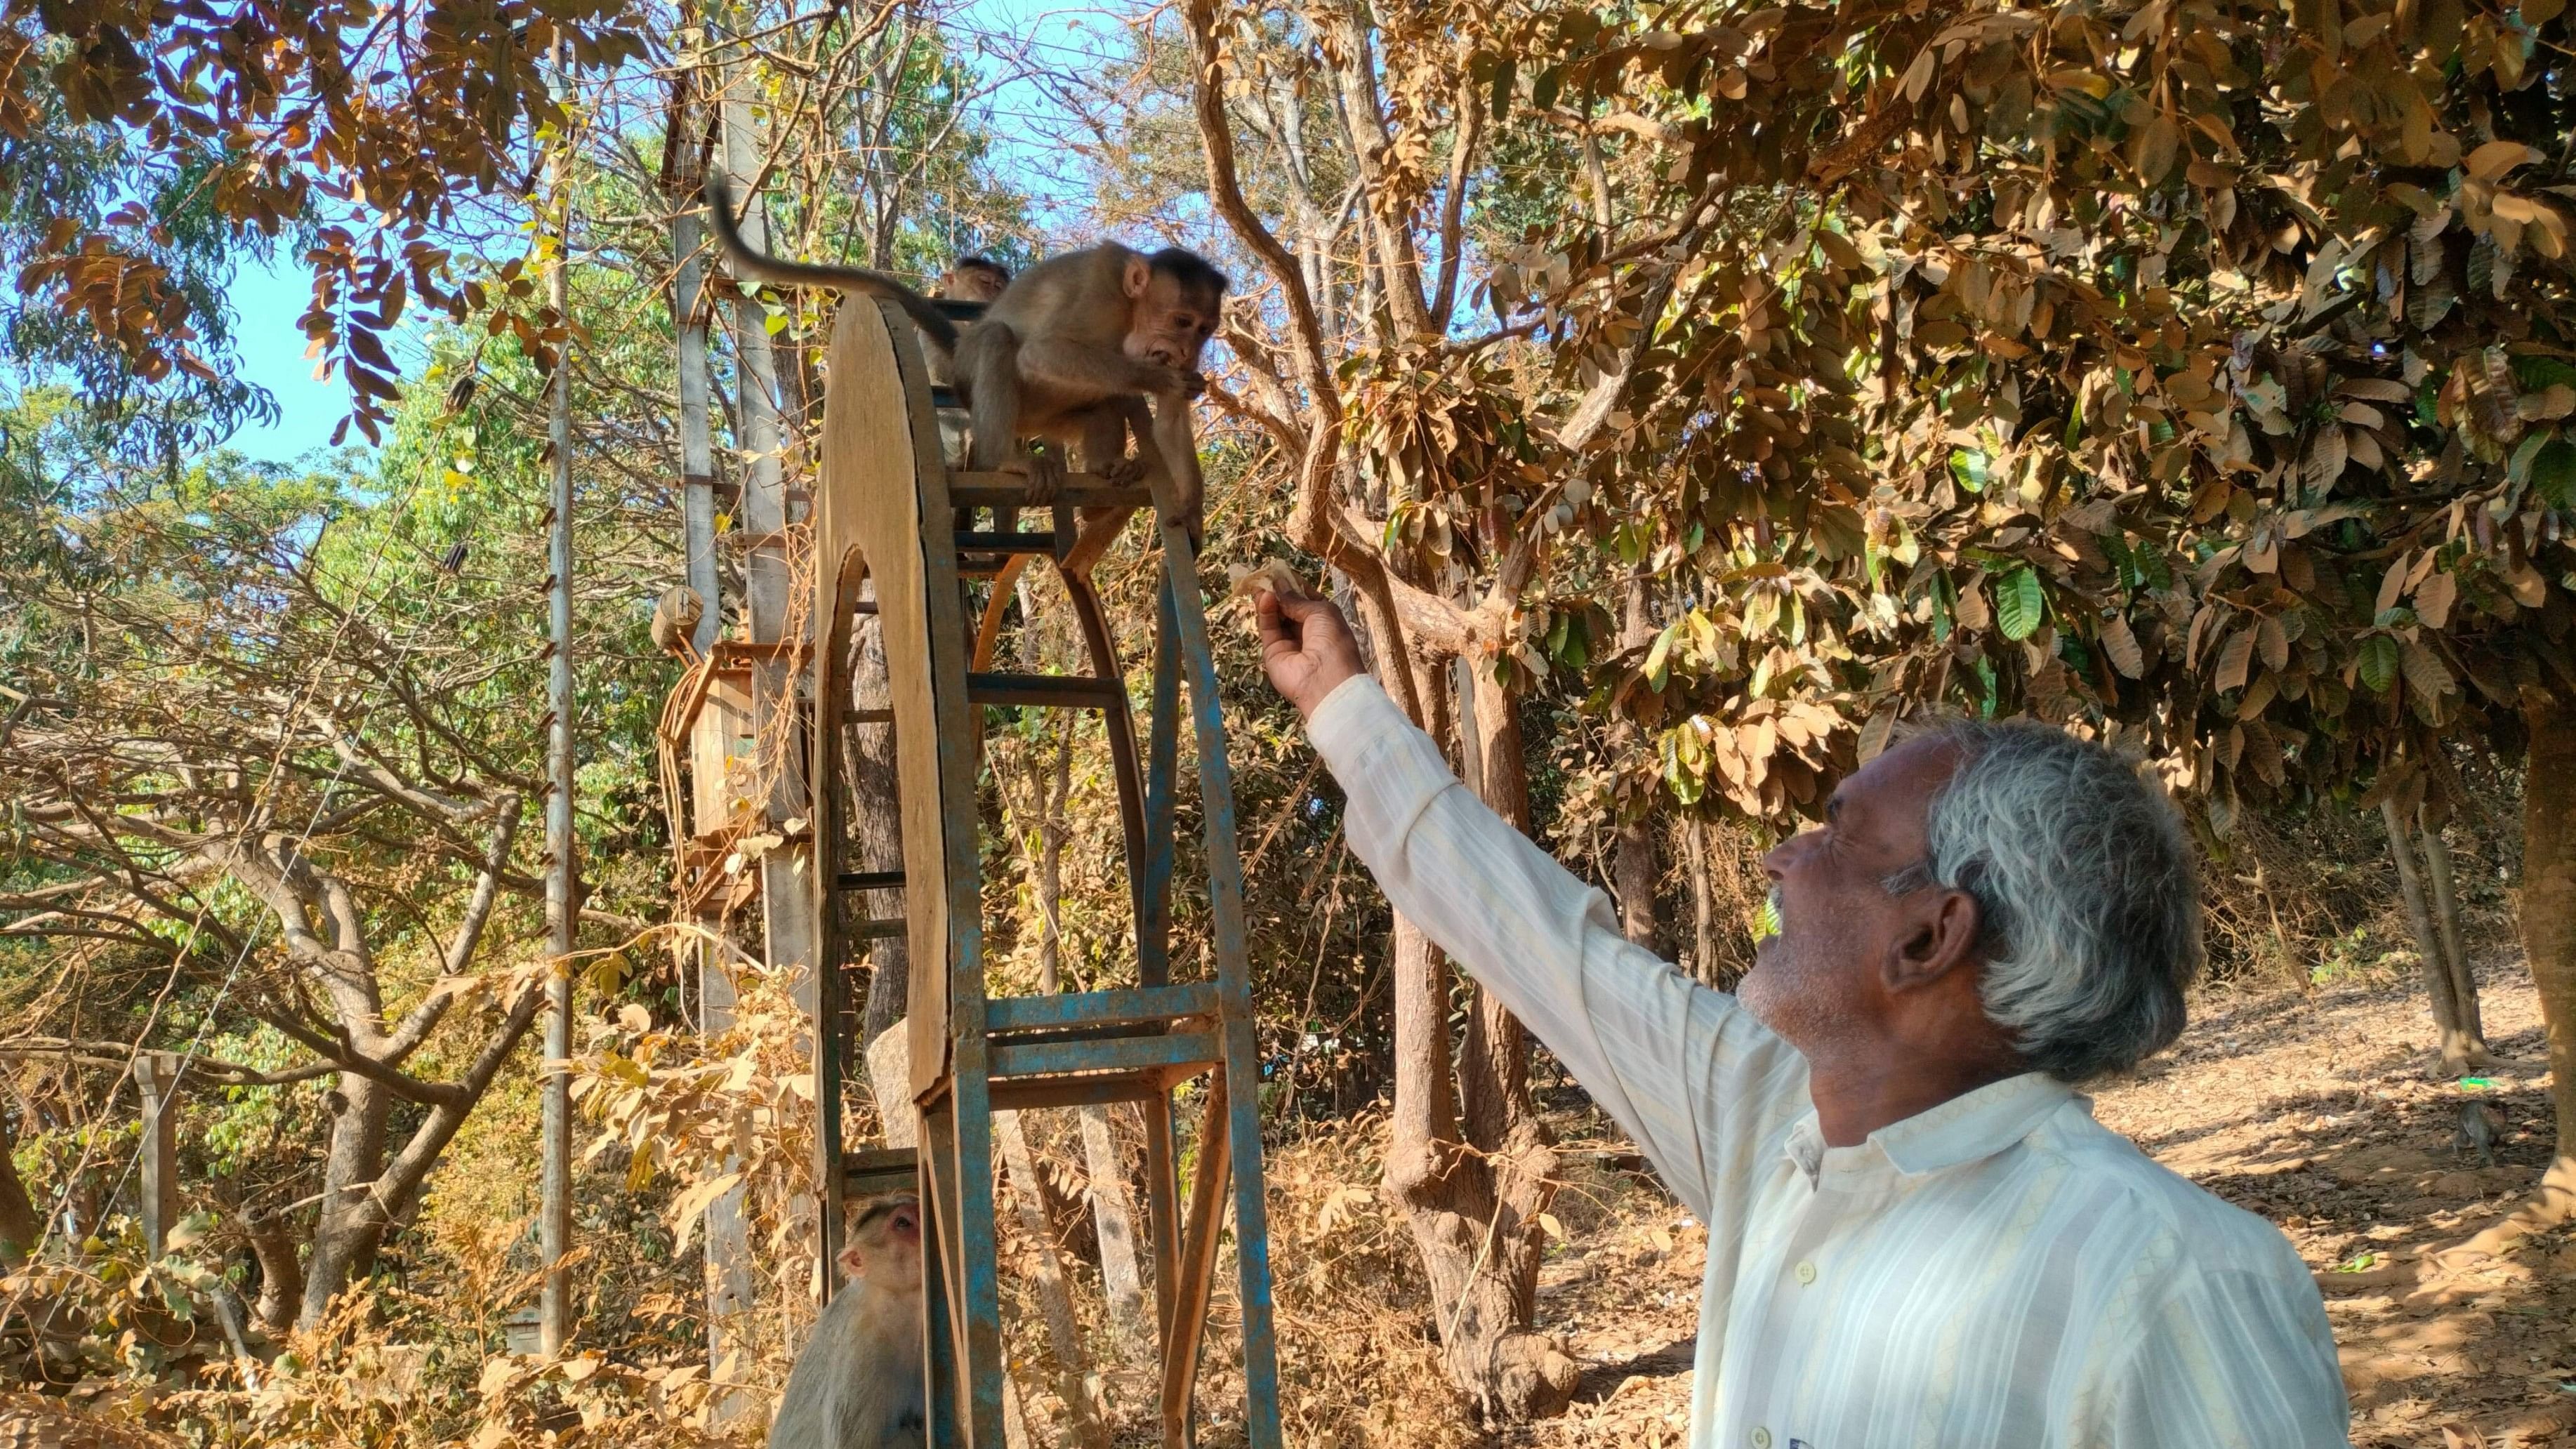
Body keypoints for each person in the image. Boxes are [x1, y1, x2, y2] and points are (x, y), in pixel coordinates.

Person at [1251, 581, 2351, 1448]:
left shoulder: (2176, 1282)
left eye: (1837, 834)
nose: (1783, 857)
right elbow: (1530, 934)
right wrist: (1342, 703)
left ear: (1928, 935)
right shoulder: (1765, 1121)